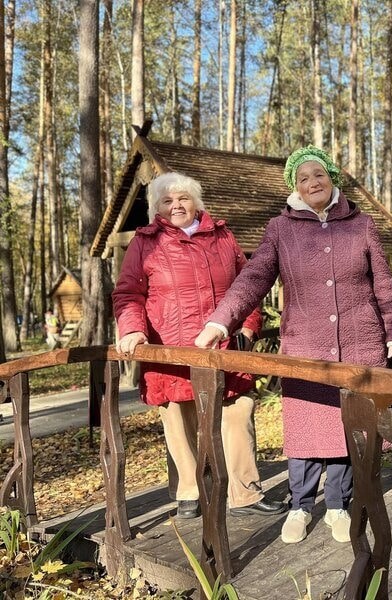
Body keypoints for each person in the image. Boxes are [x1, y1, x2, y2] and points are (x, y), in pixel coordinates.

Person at [195, 145, 392, 545]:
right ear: (295, 187)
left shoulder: (361, 225)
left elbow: (383, 284)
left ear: (332, 179)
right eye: (303, 178)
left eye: (319, 175)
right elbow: (254, 278)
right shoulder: (281, 228)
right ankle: (299, 505)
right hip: (305, 346)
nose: (313, 183)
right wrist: (220, 322)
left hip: (359, 343)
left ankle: (337, 506)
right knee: (307, 428)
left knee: (350, 428)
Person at [112, 171, 287, 520]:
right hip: (169, 349)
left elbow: (248, 285)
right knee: (179, 419)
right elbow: (128, 293)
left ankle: (245, 494)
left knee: (238, 414)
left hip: (225, 348)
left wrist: (249, 328)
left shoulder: (223, 237)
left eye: (183, 198)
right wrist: (131, 329)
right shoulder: (144, 243)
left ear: (196, 202)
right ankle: (190, 492)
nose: (176, 205)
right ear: (157, 208)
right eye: (167, 200)